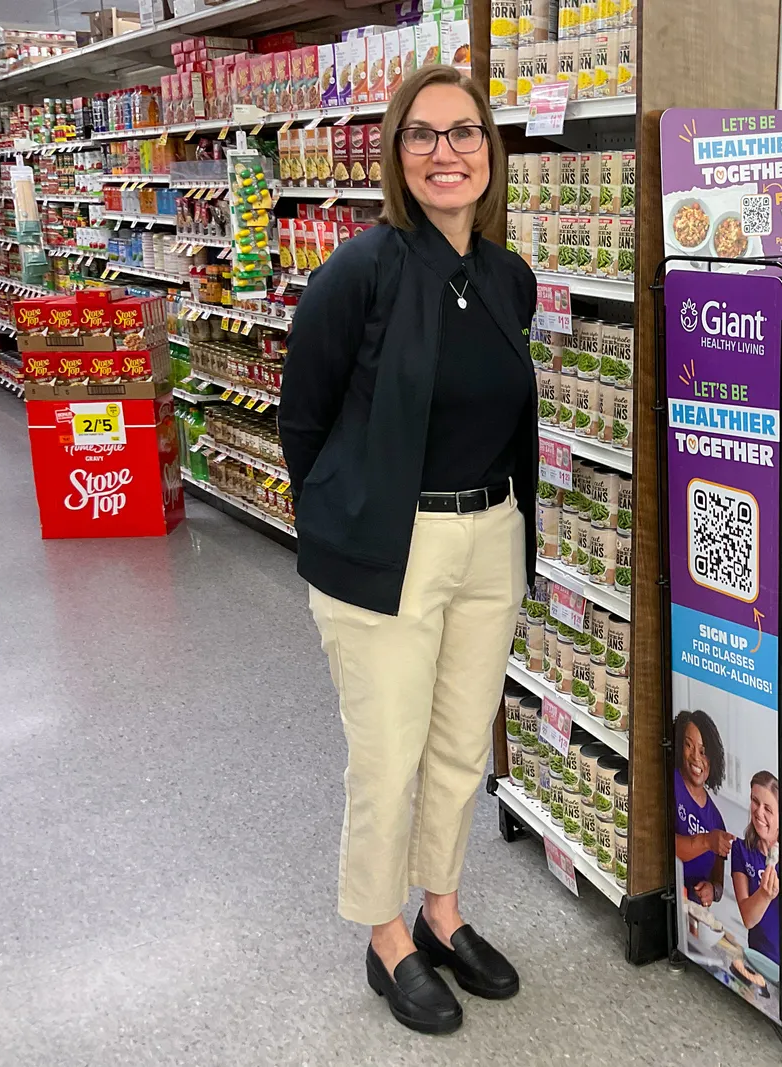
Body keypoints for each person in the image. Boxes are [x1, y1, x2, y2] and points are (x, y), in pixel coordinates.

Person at [279, 64, 537, 1037]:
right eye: (422, 135)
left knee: (461, 748)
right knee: (386, 755)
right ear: (396, 153)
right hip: (388, 545)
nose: (445, 152)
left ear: (489, 150)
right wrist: (346, 518)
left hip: (489, 537)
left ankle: (443, 909)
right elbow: (303, 420)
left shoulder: (508, 275)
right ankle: (385, 935)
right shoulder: (360, 270)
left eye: (463, 132)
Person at [672, 709, 734, 907]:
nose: (696, 758)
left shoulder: (716, 820)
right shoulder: (671, 782)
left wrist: (711, 891)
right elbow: (665, 845)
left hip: (693, 920)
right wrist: (707, 840)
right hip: (666, 904)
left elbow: (718, 885)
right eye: (689, 746)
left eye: (703, 752)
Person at [730, 771, 781, 963]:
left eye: (768, 809)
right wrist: (764, 895)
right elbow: (748, 919)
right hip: (760, 960)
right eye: (755, 801)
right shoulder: (740, 851)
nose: (758, 812)